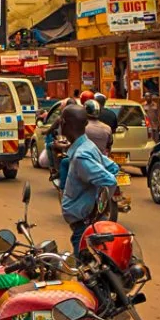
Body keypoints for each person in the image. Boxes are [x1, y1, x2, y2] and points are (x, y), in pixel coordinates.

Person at [58, 104, 120, 248]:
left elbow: (109, 180)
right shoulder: (87, 146)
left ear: (64, 124)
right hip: (87, 224)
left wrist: (96, 211)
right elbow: (112, 167)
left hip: (85, 226)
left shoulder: (81, 156)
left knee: (83, 268)